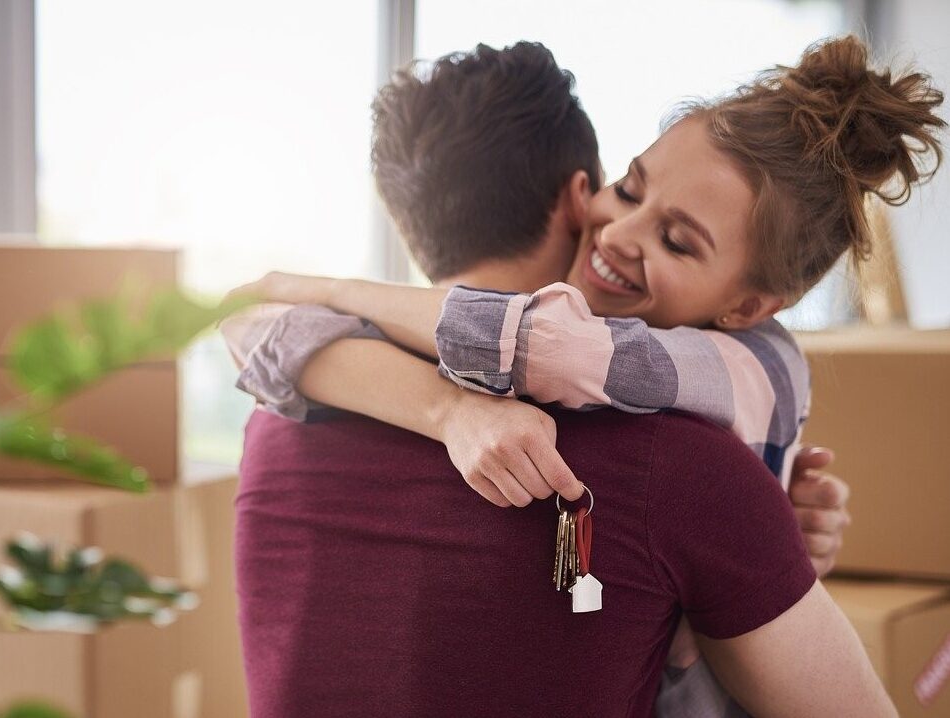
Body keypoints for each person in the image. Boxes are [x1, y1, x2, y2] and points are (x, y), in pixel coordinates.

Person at [227, 36, 940, 716]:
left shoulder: (278, 417)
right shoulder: (686, 469)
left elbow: (260, 331)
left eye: (675, 239)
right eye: (627, 189)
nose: (619, 233)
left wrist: (327, 296)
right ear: (580, 194)